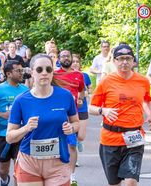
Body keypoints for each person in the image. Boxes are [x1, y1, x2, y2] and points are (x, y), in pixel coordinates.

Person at [6, 54, 79, 185]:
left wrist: (71, 128)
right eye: (39, 70)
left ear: (52, 72)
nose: (44, 73)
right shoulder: (21, 100)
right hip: (29, 161)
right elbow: (10, 137)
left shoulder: (65, 95)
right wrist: (26, 128)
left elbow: (76, 123)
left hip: (58, 161)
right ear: (32, 72)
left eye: (48, 69)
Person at [89, 44, 151, 186]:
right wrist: (103, 110)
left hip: (134, 137)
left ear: (133, 61)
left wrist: (149, 114)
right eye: (120, 59)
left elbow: (147, 100)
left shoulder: (142, 81)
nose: (124, 62)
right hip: (110, 139)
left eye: (128, 58)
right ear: (114, 61)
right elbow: (91, 108)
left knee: (131, 182)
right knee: (115, 183)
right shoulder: (106, 81)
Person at [0, 61, 28, 186]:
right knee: (3, 169)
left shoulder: (25, 90)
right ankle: (4, 180)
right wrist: (2, 115)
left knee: (21, 168)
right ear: (8, 73)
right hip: (2, 134)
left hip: (21, 134)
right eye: (18, 71)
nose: (21, 73)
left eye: (22, 70)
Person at [54, 50, 85, 185]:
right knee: (56, 145)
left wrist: (81, 100)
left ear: (72, 58)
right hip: (56, 116)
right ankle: (57, 172)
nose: (66, 58)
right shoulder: (54, 75)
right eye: (63, 56)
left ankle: (71, 175)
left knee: (72, 145)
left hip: (72, 116)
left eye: (68, 56)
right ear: (59, 59)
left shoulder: (78, 75)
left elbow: (82, 92)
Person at [71, 54, 92, 152]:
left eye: (77, 62)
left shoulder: (85, 76)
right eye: (73, 61)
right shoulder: (65, 76)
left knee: (81, 136)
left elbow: (90, 89)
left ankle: (79, 141)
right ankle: (73, 155)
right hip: (70, 109)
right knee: (71, 134)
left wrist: (87, 93)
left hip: (82, 107)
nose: (75, 64)